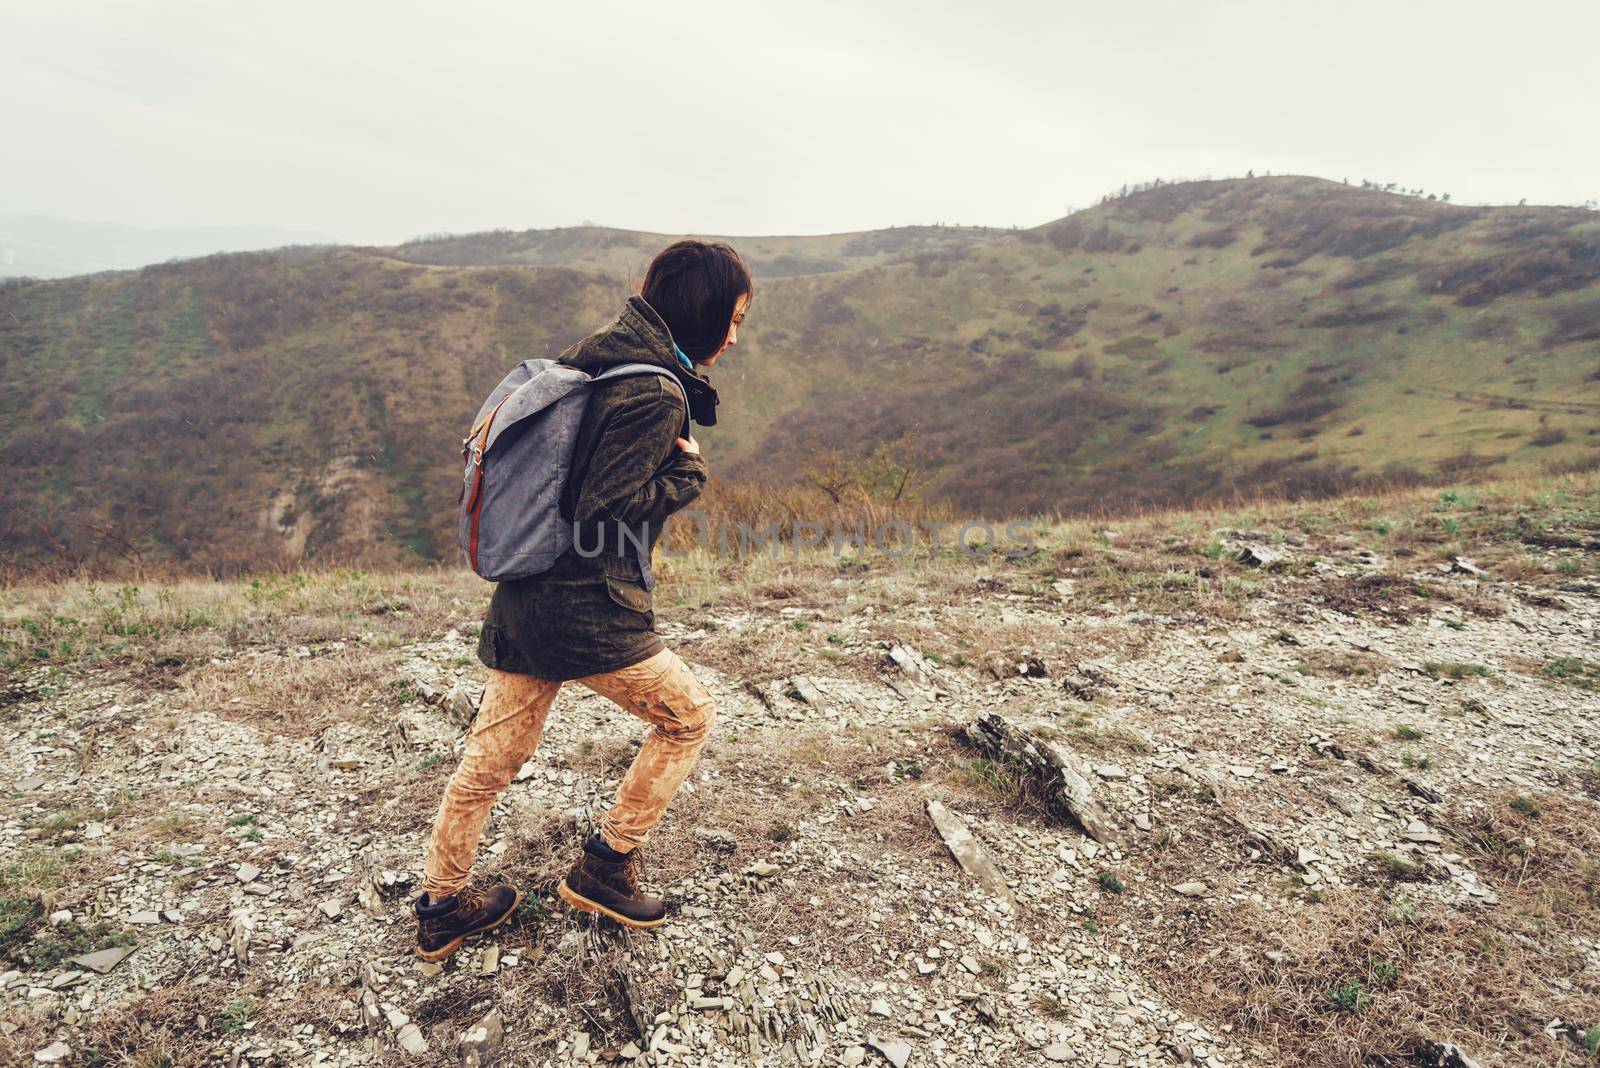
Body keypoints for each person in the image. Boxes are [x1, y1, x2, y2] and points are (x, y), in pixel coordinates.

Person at [413, 240, 752, 961]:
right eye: (735, 317)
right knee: (689, 718)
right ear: (708, 311)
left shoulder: (595, 357)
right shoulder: (654, 391)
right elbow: (605, 506)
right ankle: (606, 865)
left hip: (524, 595)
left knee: (489, 762)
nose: (734, 334)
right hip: (587, 609)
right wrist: (685, 481)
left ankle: (444, 903)